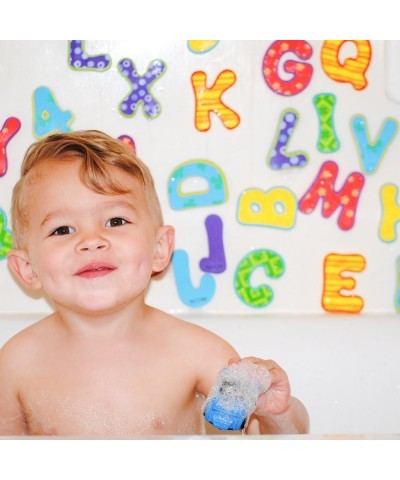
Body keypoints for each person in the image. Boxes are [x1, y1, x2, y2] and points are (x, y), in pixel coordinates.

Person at [0, 130, 309, 436]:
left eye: (115, 221)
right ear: (28, 269)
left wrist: (276, 416)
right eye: (63, 229)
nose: (91, 241)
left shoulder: (194, 352)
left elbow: (266, 451)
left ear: (159, 249)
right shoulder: (15, 364)